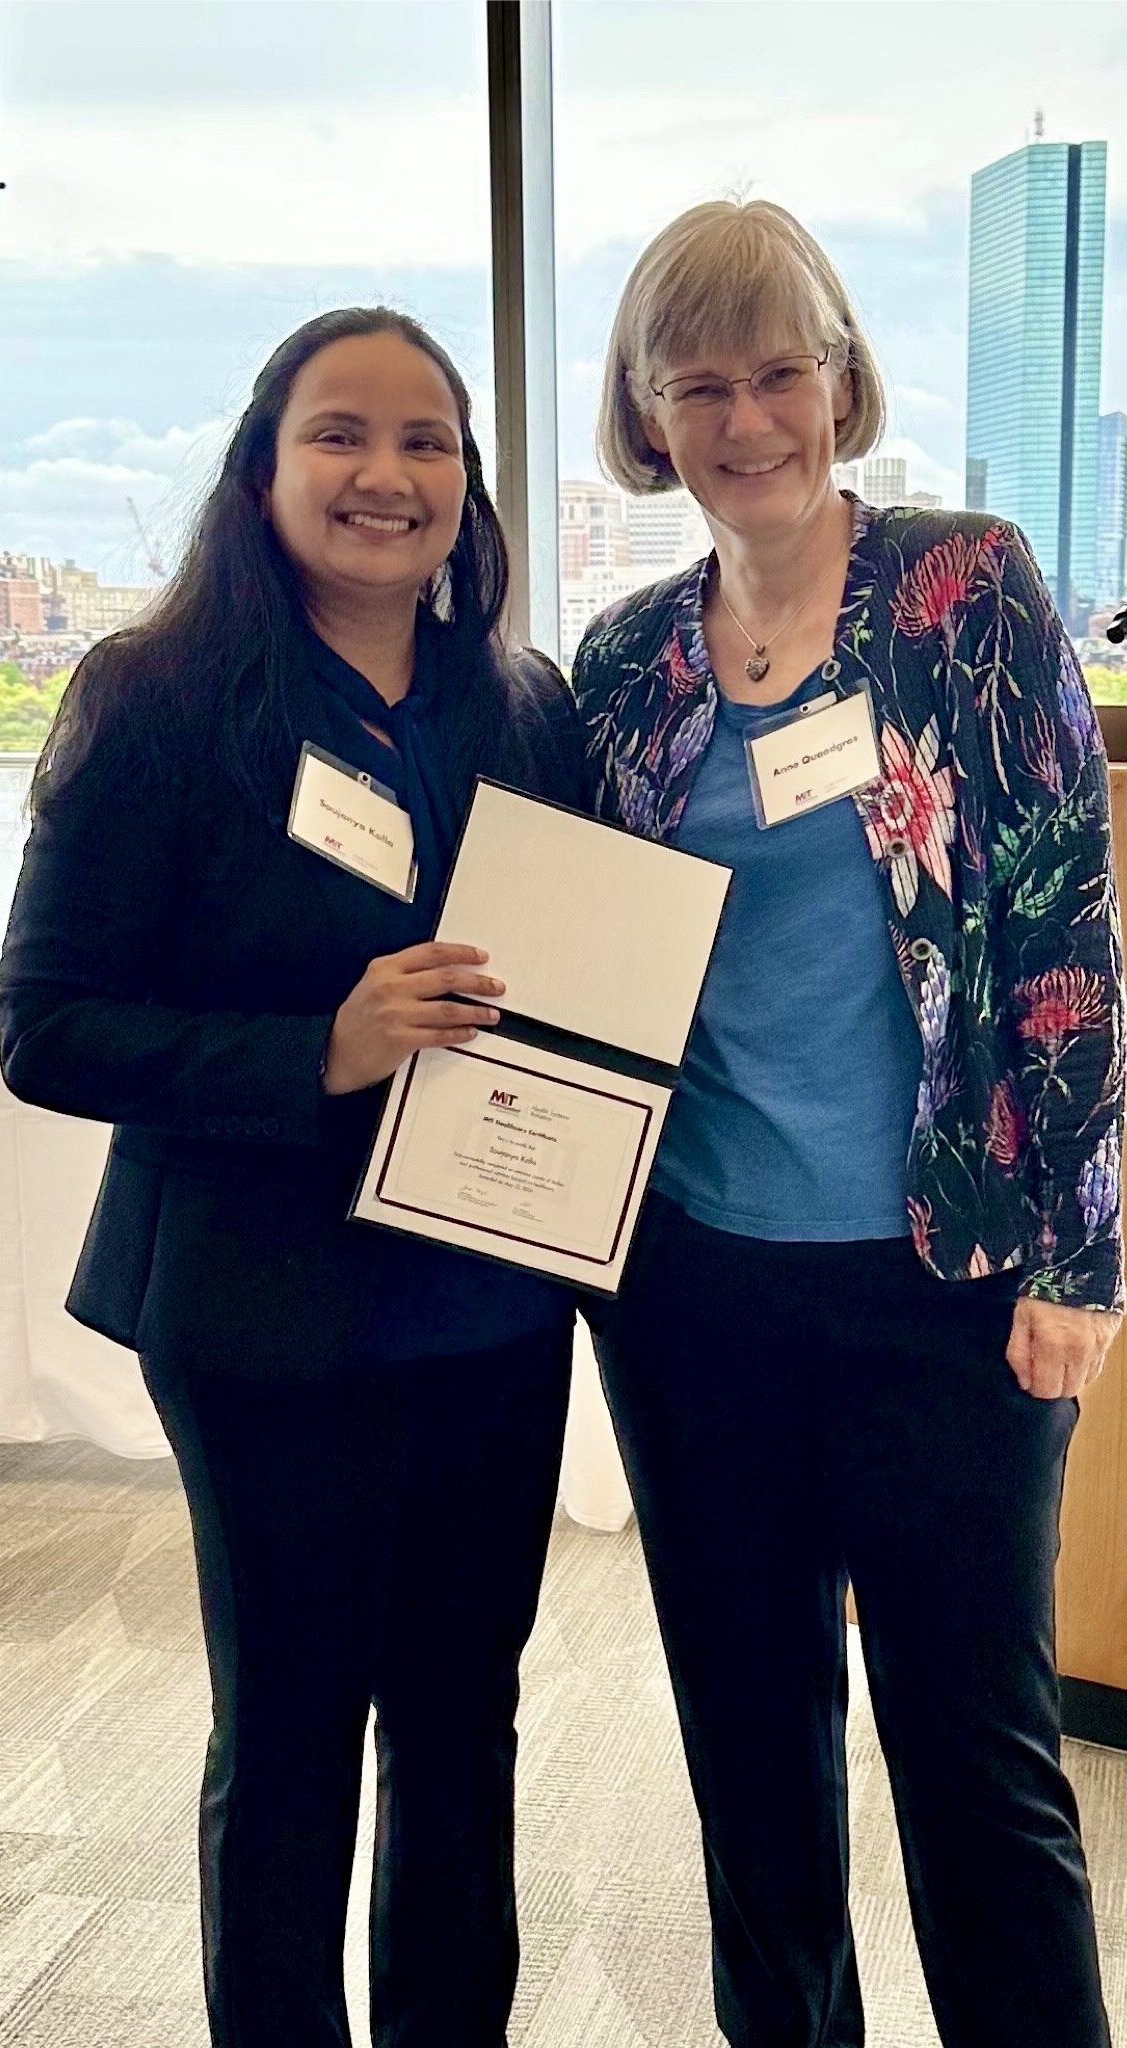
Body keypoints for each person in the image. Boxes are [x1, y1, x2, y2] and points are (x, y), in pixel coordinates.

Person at [0, 307, 582, 2048]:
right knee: (296, 1731)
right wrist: (316, 1050)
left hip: (485, 1296)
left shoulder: (520, 705)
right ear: (262, 466)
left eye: (427, 442)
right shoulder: (158, 699)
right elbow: (51, 1028)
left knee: (467, 1727)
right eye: (341, 434)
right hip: (263, 1313)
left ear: (468, 488)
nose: (385, 476)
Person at [572, 199, 1122, 2048]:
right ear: (648, 414)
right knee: (751, 1756)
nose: (746, 418)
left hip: (945, 1289)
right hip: (694, 1288)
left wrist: (1081, 1257)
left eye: (779, 370)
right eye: (698, 382)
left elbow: (1064, 932)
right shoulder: (626, 661)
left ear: (838, 379)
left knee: (978, 1764)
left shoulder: (967, 591)